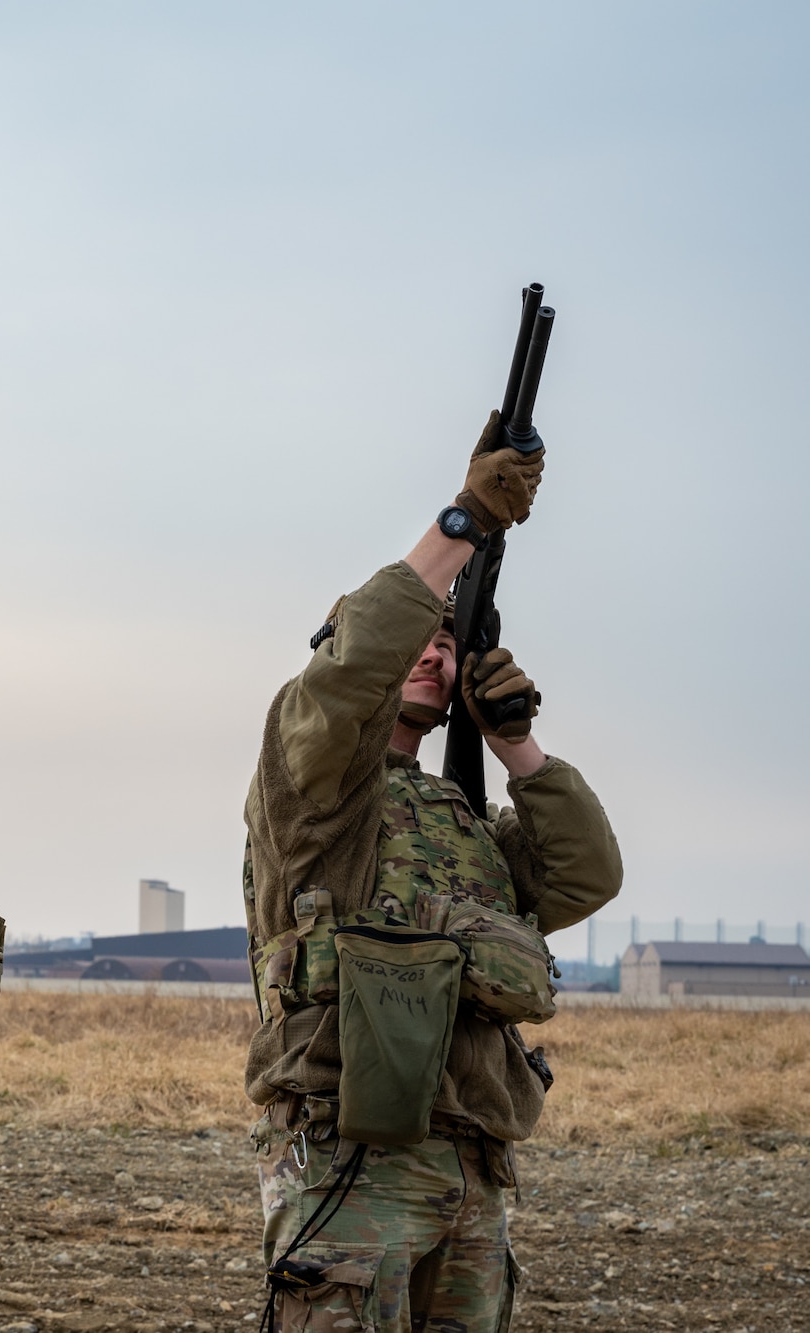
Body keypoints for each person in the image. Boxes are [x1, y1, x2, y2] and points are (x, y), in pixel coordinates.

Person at [242, 422, 623, 1330]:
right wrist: (463, 524)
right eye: (418, 639)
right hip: (350, 1158)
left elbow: (585, 877)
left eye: (449, 647)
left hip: (472, 1161)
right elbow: (350, 672)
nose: (433, 652)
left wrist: (513, 742)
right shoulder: (317, 790)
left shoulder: (459, 819)